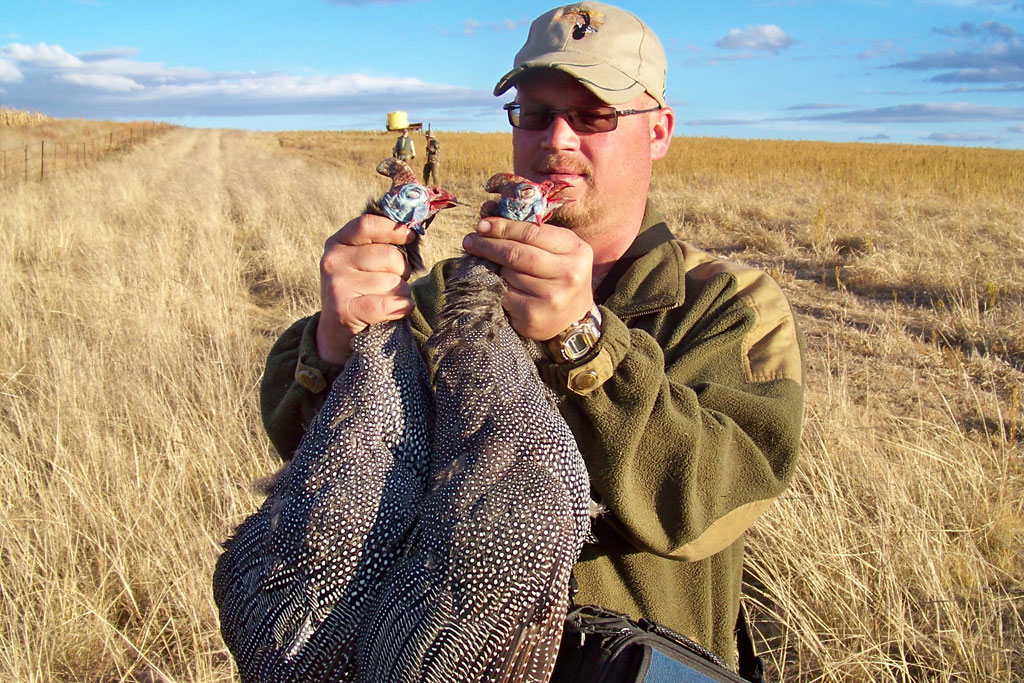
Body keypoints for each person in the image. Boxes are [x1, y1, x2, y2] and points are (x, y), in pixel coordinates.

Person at [260, 1, 803, 674]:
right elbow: (325, 470)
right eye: (536, 113)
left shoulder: (725, 305)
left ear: (658, 130)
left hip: (626, 665)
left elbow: (707, 505)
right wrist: (339, 345)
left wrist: (586, 346)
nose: (558, 138)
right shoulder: (434, 303)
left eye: (595, 114)